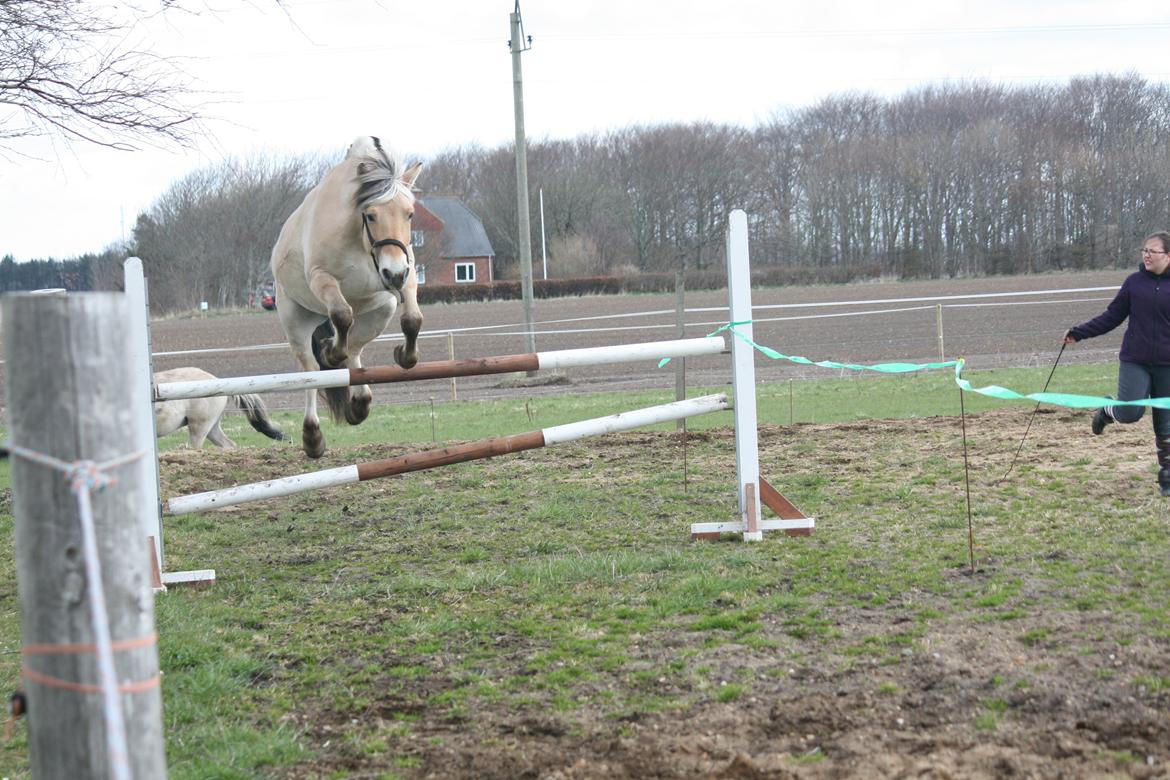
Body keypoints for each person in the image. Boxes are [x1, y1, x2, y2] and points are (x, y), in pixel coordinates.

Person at [1064, 230, 1170, 496]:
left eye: (1153, 251)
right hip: (1135, 361)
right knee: (1130, 413)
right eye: (1144, 250)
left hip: (1167, 365)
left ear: (1168, 256)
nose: (1146, 255)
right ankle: (1106, 410)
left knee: (1166, 426)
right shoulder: (1134, 283)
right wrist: (1079, 332)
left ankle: (1167, 479)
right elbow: (1112, 316)